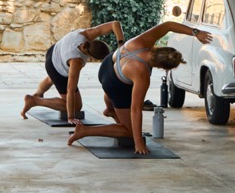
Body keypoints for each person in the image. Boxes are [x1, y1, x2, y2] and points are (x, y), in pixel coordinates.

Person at [67, 22, 212, 155]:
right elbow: (135, 109)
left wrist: (195, 32)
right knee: (128, 131)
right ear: (163, 68)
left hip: (106, 65)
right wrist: (138, 142)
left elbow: (167, 25)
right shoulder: (142, 74)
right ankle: (85, 131)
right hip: (113, 84)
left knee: (124, 87)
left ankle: (110, 108)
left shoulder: (143, 41)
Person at [20, 21, 123, 123]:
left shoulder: (87, 34)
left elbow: (115, 24)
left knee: (51, 78)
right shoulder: (76, 62)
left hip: (53, 52)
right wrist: (71, 117)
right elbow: (70, 90)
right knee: (76, 105)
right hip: (56, 66)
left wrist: (121, 45)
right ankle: (34, 100)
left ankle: (38, 93)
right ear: (92, 57)